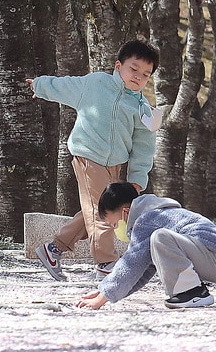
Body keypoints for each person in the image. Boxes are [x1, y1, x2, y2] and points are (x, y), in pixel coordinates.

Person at [28, 40, 160, 281]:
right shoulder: (96, 83)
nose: (138, 77)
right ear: (118, 65)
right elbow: (66, 86)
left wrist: (137, 179)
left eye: (145, 74)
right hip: (88, 156)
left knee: (97, 210)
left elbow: (144, 146)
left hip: (114, 165)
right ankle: (106, 263)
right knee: (103, 213)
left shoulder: (142, 107)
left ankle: (53, 249)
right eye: (134, 69)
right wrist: (40, 85)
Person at [75, 182, 216, 310]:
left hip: (214, 258)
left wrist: (101, 300)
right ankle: (193, 291)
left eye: (115, 223)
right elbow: (143, 269)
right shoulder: (157, 213)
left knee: (160, 236)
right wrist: (105, 291)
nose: (117, 229)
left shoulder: (146, 219)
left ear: (126, 211)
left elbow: (131, 264)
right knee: (159, 238)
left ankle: (191, 292)